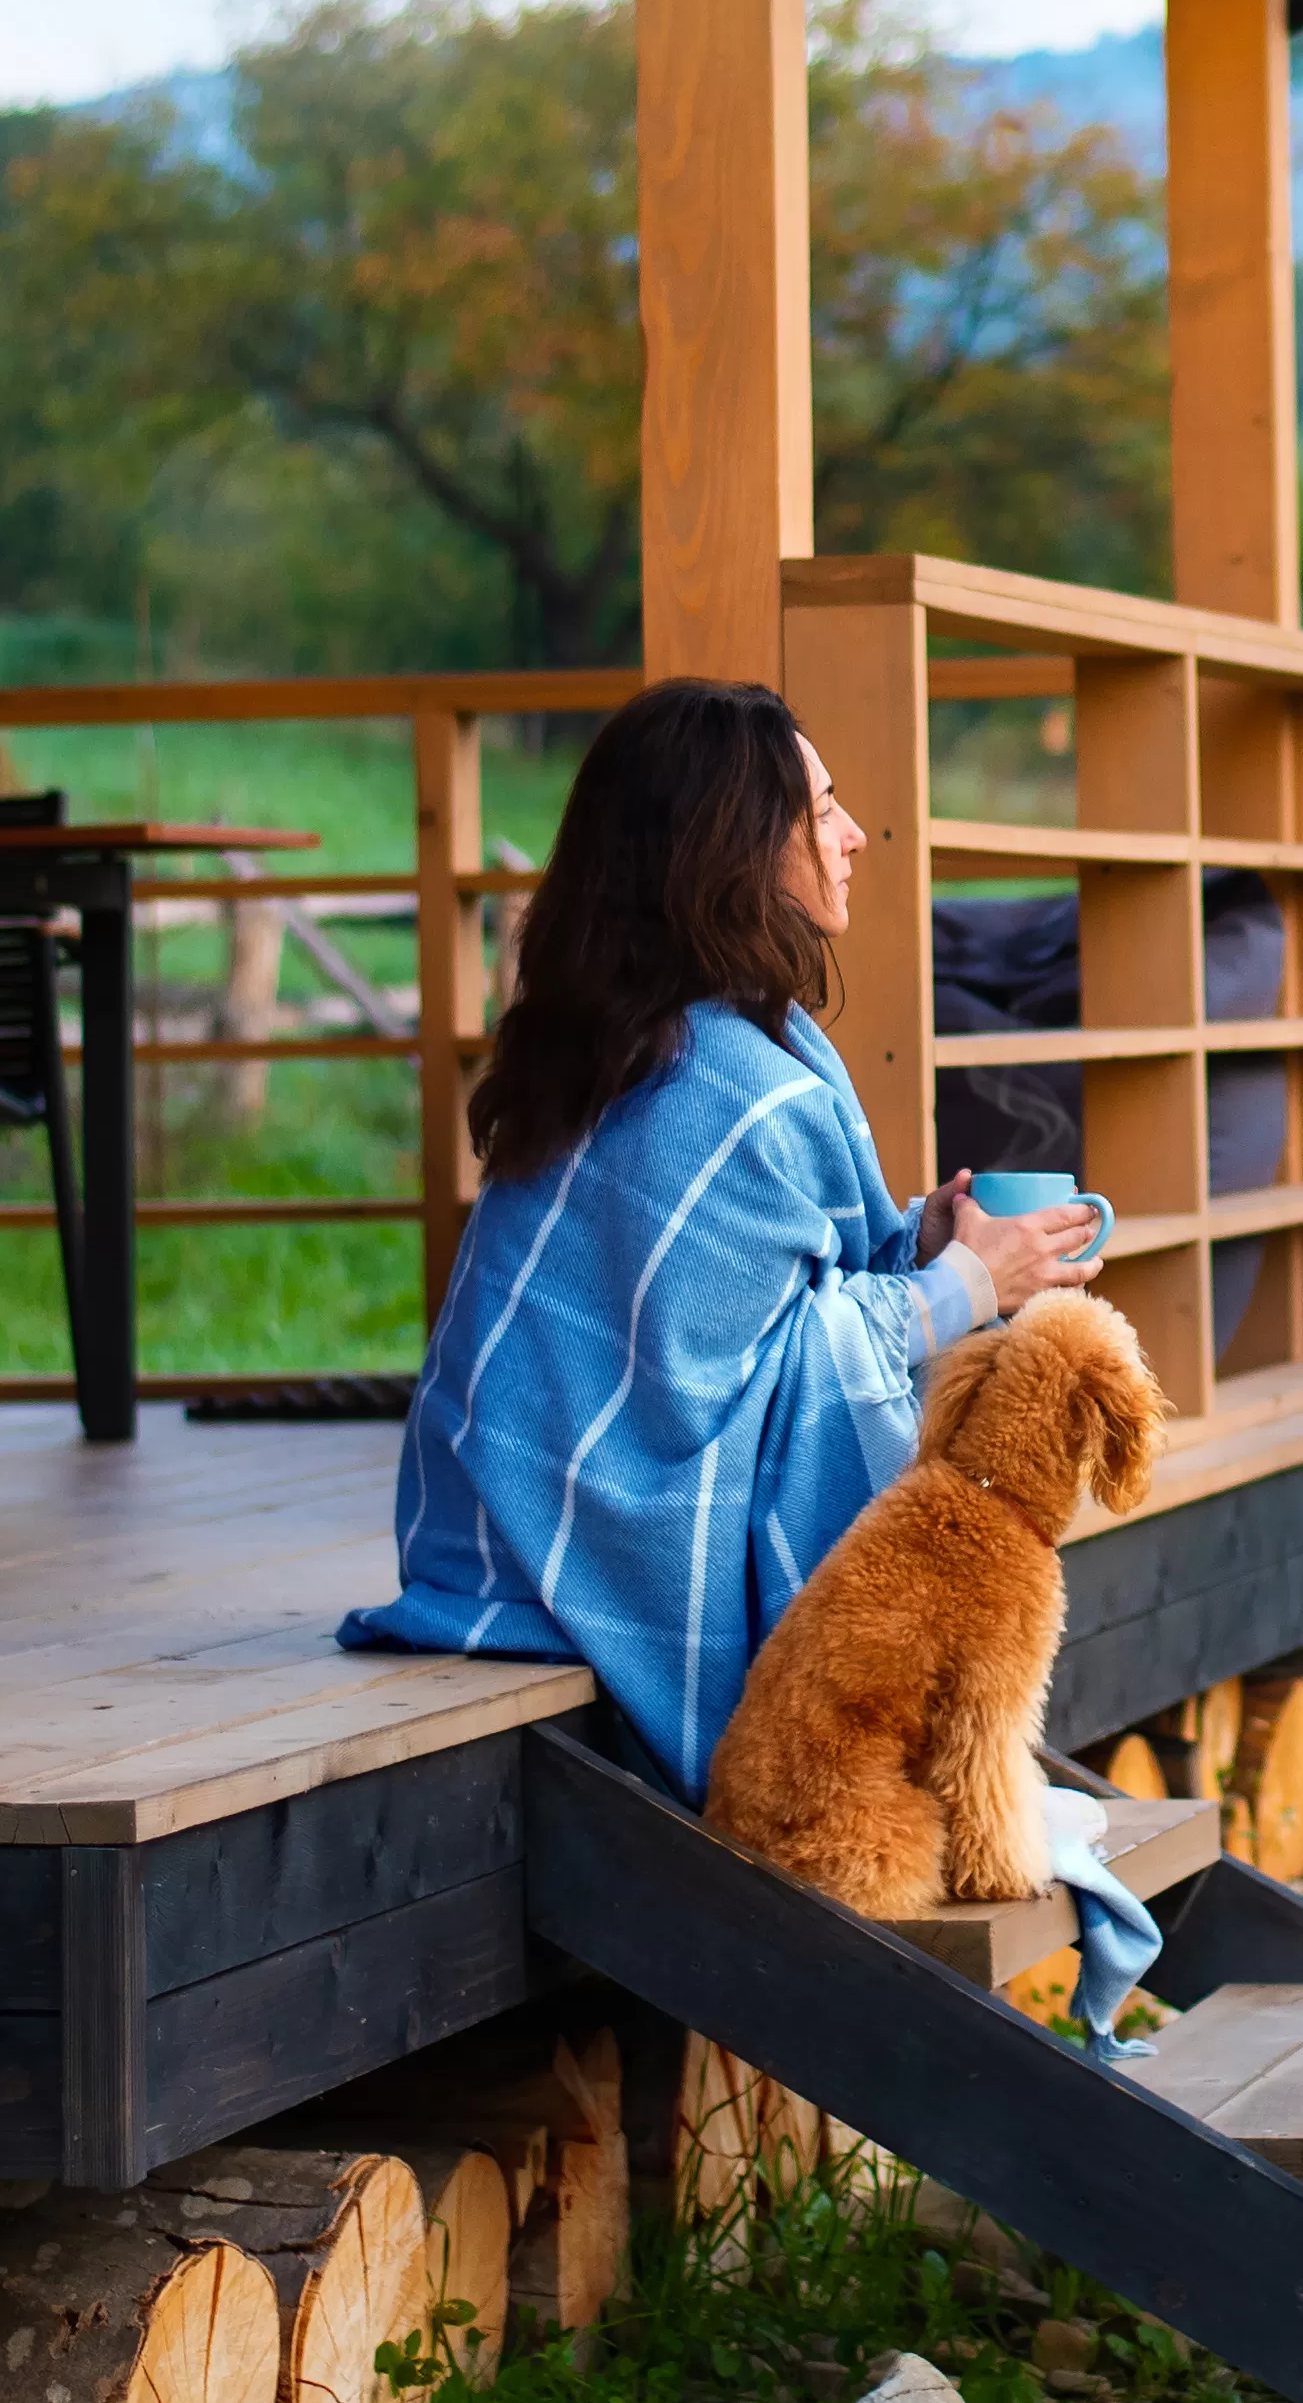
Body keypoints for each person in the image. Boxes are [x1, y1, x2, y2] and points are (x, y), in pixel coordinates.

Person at [338, 677, 1106, 1793]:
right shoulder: (730, 1081)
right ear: (734, 849)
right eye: (821, 811)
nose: (852, 836)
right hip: (575, 1546)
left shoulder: (638, 1029)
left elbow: (738, 1312)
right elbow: (735, 1383)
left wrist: (918, 1242)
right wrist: (964, 1286)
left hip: (485, 1523)